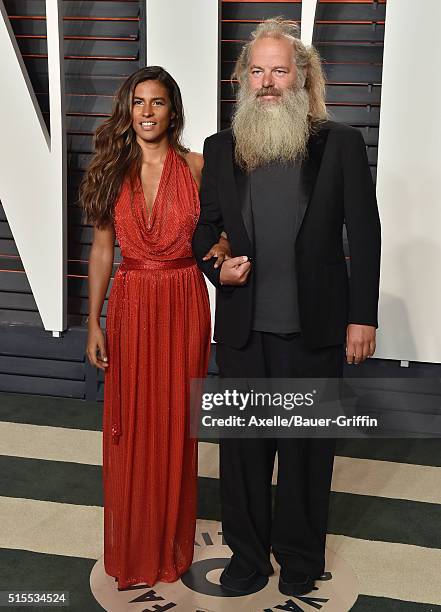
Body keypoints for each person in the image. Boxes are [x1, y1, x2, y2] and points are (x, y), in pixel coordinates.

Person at [192, 19, 381, 596]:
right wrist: (214, 265)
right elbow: (207, 230)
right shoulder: (220, 149)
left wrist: (362, 315)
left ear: (300, 76)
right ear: (244, 79)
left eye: (279, 70)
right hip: (245, 329)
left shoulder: (340, 143)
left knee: (306, 452)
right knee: (245, 455)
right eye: (257, 70)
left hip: (315, 329)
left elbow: (364, 233)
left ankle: (300, 558)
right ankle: (247, 558)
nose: (267, 82)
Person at [80, 66, 230, 589]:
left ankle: (168, 546)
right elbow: (102, 251)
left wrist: (223, 250)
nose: (147, 111)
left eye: (158, 102)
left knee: (172, 423)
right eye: (139, 101)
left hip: (184, 302)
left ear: (173, 111)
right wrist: (93, 322)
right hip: (130, 301)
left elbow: (222, 234)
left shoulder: (198, 168)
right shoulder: (109, 169)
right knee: (129, 425)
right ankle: (134, 547)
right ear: (128, 109)